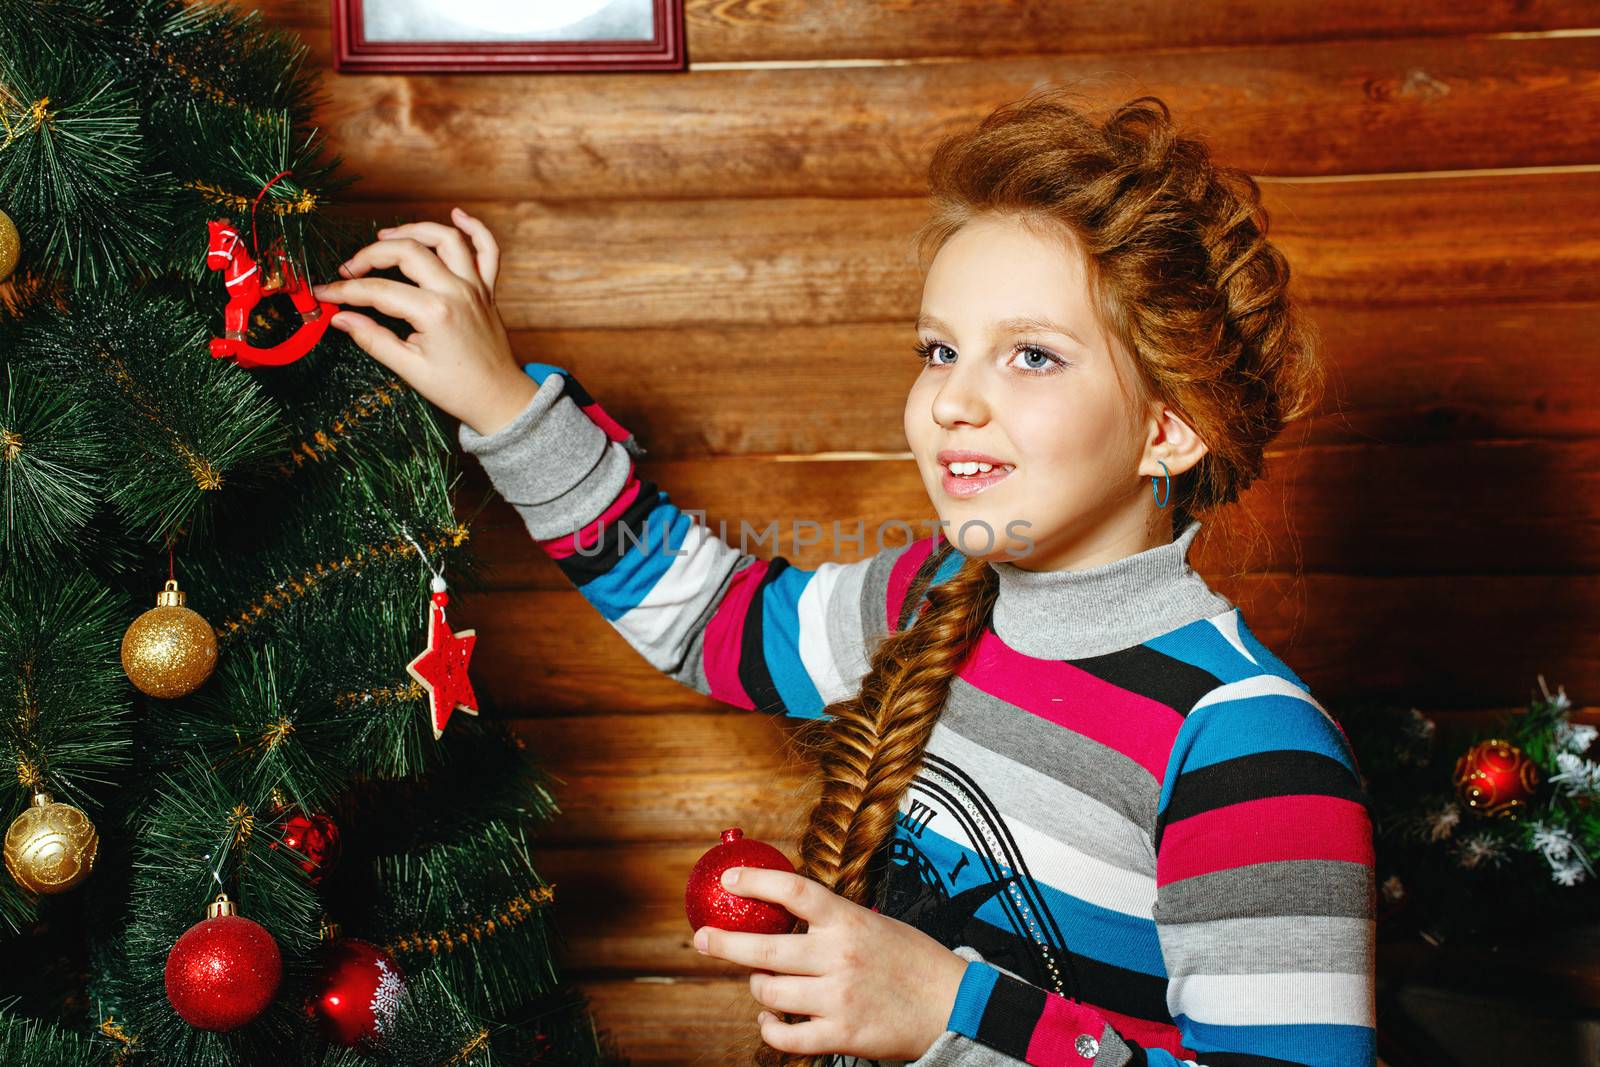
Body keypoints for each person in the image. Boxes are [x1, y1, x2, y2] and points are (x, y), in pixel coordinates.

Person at [311, 85, 1376, 1067]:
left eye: (1032, 355)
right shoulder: (926, 598)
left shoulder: (1246, 742)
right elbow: (710, 615)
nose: (952, 401)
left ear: (1168, 427)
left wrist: (952, 1009)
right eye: (937, 349)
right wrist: (502, 400)